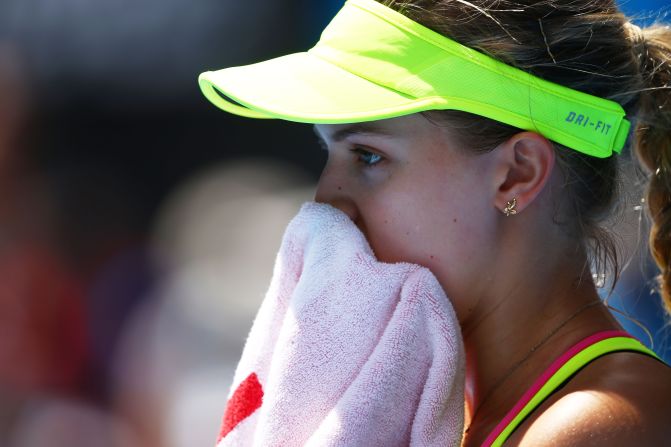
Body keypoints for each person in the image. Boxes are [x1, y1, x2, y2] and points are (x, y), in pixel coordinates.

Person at [198, 0, 671, 445]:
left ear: (517, 173)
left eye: (368, 155)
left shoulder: (596, 429)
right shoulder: (441, 417)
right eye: (329, 153)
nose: (325, 204)